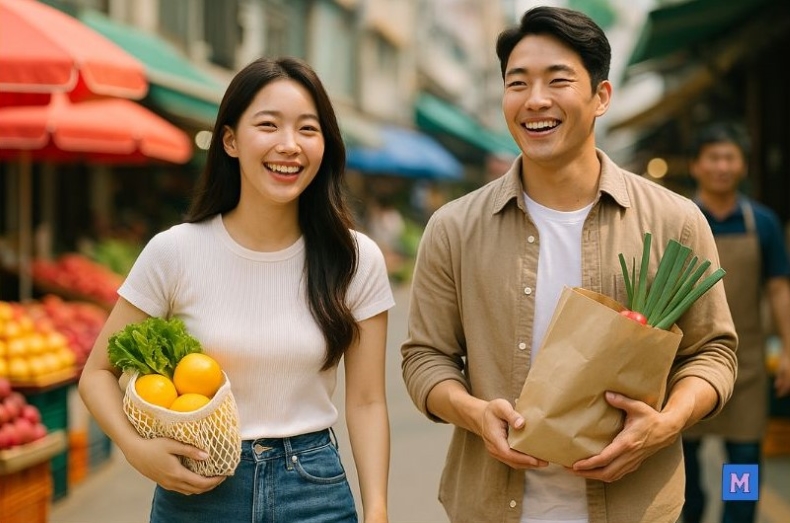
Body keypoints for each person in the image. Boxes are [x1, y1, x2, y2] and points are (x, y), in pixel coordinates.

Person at [400, 7, 738, 523]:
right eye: (518, 83)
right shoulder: (454, 228)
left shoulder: (676, 221)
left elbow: (714, 351)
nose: (535, 100)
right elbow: (425, 357)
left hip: (636, 505)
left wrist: (667, 423)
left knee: (744, 487)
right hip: (490, 506)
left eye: (558, 80)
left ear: (601, 96)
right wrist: (473, 414)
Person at [79, 56, 394, 523]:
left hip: (314, 492)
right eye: (268, 125)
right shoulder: (175, 252)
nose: (289, 145)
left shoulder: (356, 258)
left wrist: (378, 509)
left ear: (325, 145)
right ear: (230, 140)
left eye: (308, 129)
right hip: (197, 488)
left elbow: (367, 402)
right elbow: (96, 374)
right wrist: (135, 449)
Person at [681, 121, 790, 523]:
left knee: (741, 462)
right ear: (696, 165)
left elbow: (779, 289)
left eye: (730, 157)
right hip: (686, 366)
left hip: (746, 370)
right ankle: (691, 510)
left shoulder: (762, 223)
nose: (722, 166)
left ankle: (736, 517)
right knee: (683, 467)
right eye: (713, 157)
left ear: (743, 165)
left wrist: (788, 352)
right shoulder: (680, 219)